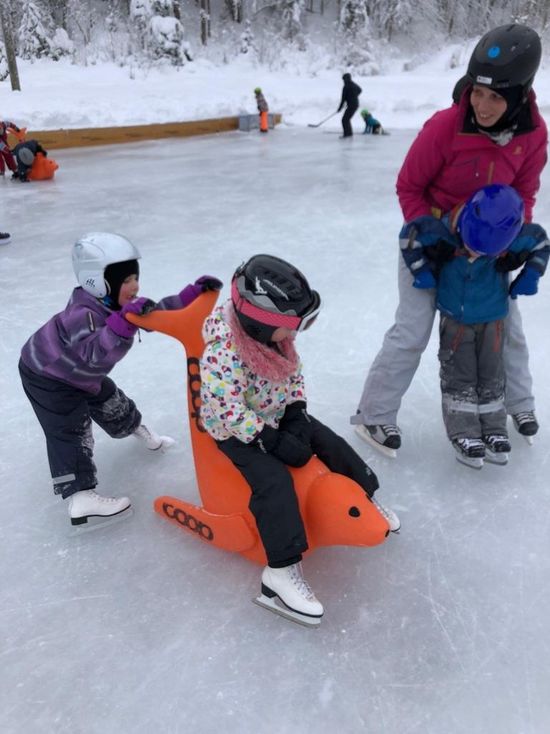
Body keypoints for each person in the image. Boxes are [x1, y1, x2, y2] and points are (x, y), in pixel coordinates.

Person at [352, 23, 547, 455]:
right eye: (478, 91)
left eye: (496, 96)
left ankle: (518, 404)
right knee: (413, 330)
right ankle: (373, 415)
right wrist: (429, 235)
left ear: (519, 94)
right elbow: (408, 187)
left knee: (507, 327)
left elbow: (526, 193)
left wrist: (508, 242)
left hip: (488, 249)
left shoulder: (533, 136)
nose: (482, 104)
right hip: (429, 242)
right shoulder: (445, 127)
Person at [199, 254, 399, 623]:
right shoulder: (223, 352)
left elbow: (293, 376)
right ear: (260, 322)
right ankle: (280, 572)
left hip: (278, 413)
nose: (295, 335)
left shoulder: (277, 340)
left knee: (331, 443)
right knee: (274, 481)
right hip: (237, 430)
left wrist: (295, 412)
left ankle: (367, 496)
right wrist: (268, 439)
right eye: (292, 326)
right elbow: (225, 408)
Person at [19, 231, 222, 526]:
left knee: (111, 399)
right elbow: (94, 354)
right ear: (97, 280)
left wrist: (191, 295)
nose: (135, 285)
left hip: (79, 375)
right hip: (47, 375)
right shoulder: (82, 313)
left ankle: (135, 428)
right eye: (126, 280)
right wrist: (121, 325)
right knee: (69, 429)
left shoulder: (112, 302)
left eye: (134, 277)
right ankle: (80, 497)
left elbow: (155, 315)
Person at [400, 184, 549, 468]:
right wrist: (421, 272)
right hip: (456, 321)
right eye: (472, 247)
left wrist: (531, 274)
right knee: (460, 377)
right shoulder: (440, 230)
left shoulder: (516, 233)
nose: (476, 255)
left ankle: (494, 429)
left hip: (494, 319)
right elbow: (409, 237)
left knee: (492, 376)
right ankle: (463, 432)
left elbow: (540, 242)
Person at [337, 73, 362, 138]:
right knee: (347, 119)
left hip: (352, 105)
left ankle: (347, 134)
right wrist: (354, 96)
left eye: (343, 79)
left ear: (346, 79)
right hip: (355, 104)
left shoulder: (346, 87)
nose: (343, 81)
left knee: (344, 120)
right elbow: (360, 90)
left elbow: (343, 99)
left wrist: (340, 108)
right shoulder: (353, 84)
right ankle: (349, 133)